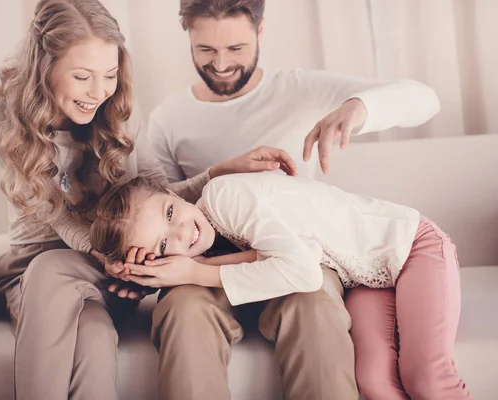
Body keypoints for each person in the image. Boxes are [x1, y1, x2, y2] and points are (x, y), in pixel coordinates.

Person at [0, 0, 296, 399]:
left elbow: (156, 198)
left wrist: (219, 172)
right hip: (41, 266)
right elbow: (54, 217)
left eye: (109, 75)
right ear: (44, 68)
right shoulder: (4, 122)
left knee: (91, 325)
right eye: (81, 76)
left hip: (111, 264)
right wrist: (110, 255)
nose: (98, 92)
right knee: (83, 322)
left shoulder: (118, 111)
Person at [139, 0, 441, 398]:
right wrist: (215, 174)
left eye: (236, 49)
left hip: (294, 255)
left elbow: (423, 98)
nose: (221, 65)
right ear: (188, 36)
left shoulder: (300, 88)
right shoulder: (168, 117)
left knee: (314, 306)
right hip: (202, 262)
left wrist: (358, 107)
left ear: (261, 32)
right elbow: (154, 202)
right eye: (206, 50)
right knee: (182, 311)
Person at [90, 172, 473, 400]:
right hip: (369, 281)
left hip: (413, 247)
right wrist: (169, 270)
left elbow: (304, 271)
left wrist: (194, 272)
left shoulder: (223, 197)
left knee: (427, 375)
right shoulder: (215, 228)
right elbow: (265, 256)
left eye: (170, 212)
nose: (180, 232)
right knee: (373, 379)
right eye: (162, 245)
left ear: (175, 194)